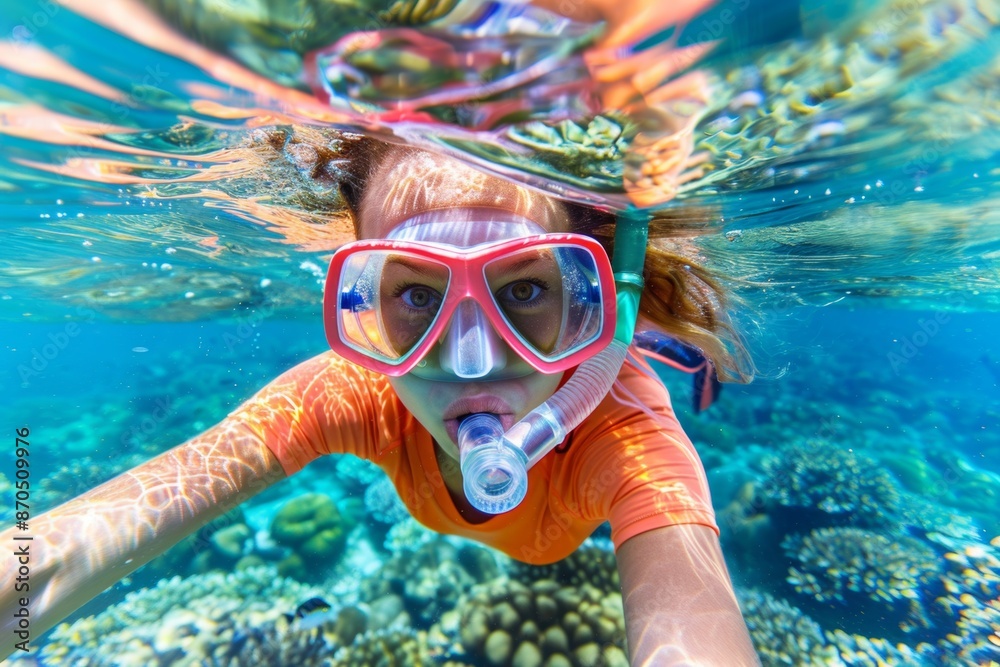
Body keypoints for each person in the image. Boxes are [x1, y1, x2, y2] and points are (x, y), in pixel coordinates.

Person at [1, 137, 759, 665]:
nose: (469, 361)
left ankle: (658, 341)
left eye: (525, 289)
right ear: (363, 301)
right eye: (418, 295)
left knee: (643, 353)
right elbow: (55, 557)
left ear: (588, 296)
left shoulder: (629, 435)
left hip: (611, 353)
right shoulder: (354, 388)